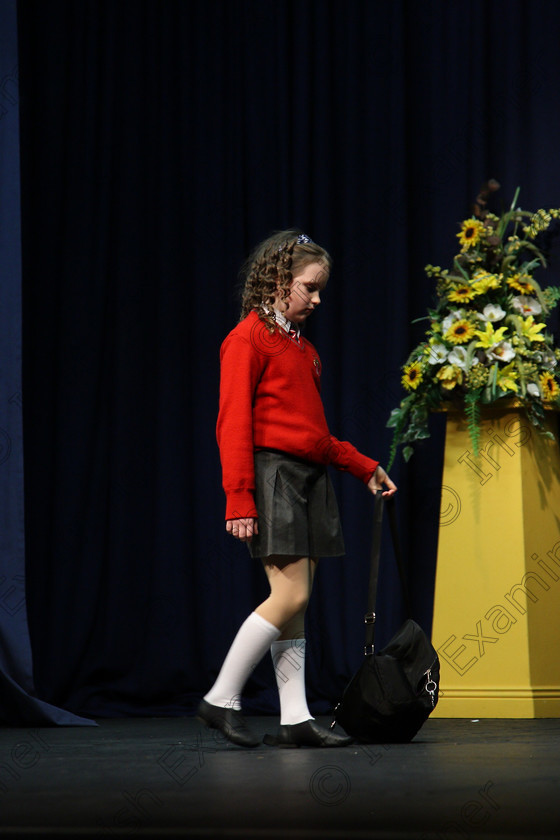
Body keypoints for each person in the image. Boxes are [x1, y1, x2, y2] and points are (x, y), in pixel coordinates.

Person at [197, 229, 397, 748]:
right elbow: (232, 422)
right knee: (292, 593)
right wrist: (239, 496)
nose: (316, 297)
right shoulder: (247, 339)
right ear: (280, 281)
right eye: (309, 287)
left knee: (296, 606)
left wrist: (361, 466)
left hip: (306, 477)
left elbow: (314, 435)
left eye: (318, 288)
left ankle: (294, 718)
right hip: (271, 476)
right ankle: (219, 699)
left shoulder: (302, 350)